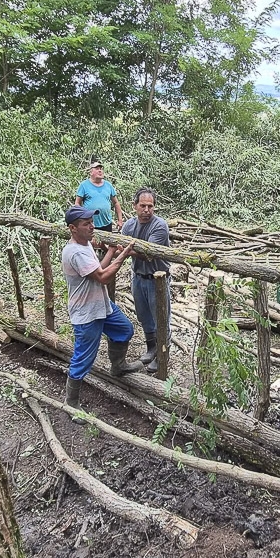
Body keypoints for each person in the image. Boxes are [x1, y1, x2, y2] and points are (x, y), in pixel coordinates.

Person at [62, 205, 144, 407]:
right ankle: (71, 402)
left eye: (92, 222)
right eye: (86, 224)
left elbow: (98, 268)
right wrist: (122, 255)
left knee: (124, 329)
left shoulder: (85, 244)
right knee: (83, 359)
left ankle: (118, 366)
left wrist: (112, 252)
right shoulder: (75, 252)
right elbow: (103, 277)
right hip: (87, 313)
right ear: (73, 228)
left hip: (101, 305)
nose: (92, 227)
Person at [120, 188, 171, 372]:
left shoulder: (160, 226)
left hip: (157, 279)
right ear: (135, 206)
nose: (147, 210)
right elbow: (120, 243)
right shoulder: (129, 226)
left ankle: (162, 355)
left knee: (161, 319)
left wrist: (125, 249)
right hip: (138, 277)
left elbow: (147, 253)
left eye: (150, 206)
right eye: (143, 205)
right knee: (144, 316)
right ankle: (151, 348)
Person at [74, 161, 125, 232]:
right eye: (97, 168)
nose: (100, 170)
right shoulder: (84, 185)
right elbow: (77, 203)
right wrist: (81, 219)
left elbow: (116, 203)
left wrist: (120, 220)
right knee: (91, 242)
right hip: (90, 224)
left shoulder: (108, 185)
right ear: (91, 172)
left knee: (107, 242)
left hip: (106, 223)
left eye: (101, 168)